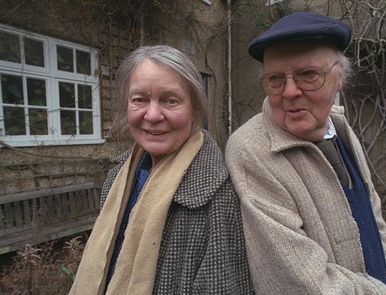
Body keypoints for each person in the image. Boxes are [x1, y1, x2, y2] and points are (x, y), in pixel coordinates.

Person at [225, 12, 386, 295]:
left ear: (339, 78)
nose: (290, 91)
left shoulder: (340, 128)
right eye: (276, 79)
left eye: (308, 74)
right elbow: (297, 281)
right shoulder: (251, 149)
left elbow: (371, 208)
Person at [70, 45, 254, 295]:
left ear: (195, 108)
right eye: (139, 100)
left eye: (170, 100)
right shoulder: (118, 177)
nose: (153, 115)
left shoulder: (219, 197)